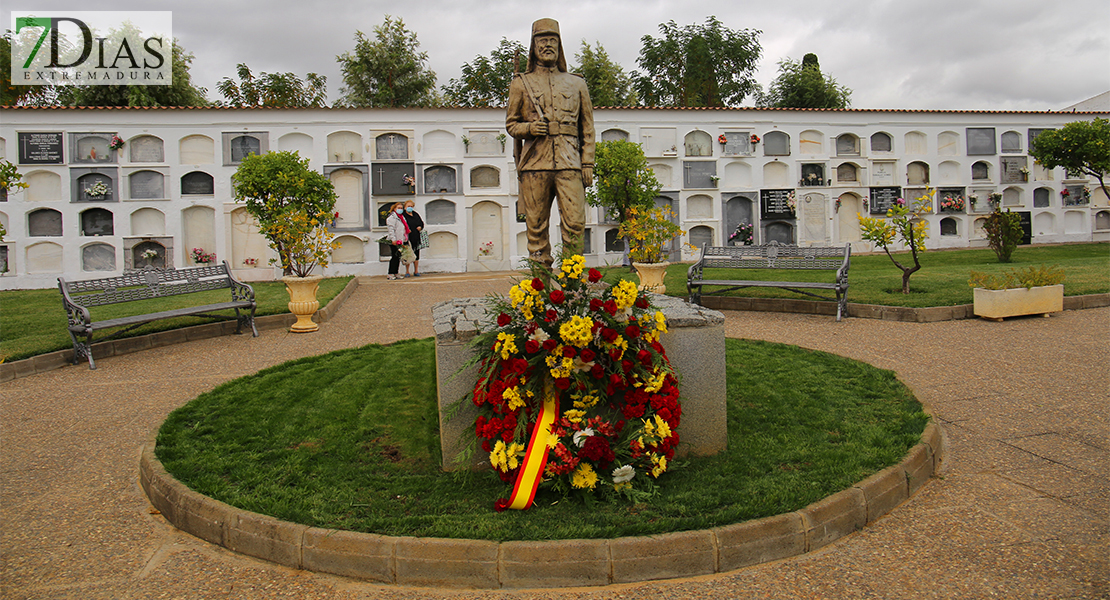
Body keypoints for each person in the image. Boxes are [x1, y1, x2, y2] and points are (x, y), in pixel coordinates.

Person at [506, 18, 594, 267]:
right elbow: (511, 125)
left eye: (552, 40)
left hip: (569, 162)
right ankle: (540, 287)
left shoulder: (577, 83)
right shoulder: (520, 83)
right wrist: (530, 128)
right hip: (535, 163)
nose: (547, 45)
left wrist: (587, 163)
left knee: (576, 224)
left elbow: (587, 128)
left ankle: (572, 283)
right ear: (533, 46)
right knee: (535, 228)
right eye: (542, 40)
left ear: (560, 44)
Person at [385, 202, 409, 280]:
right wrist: (393, 239)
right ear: (394, 209)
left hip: (400, 240)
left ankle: (396, 272)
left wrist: (405, 239)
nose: (400, 209)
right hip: (394, 240)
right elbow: (391, 230)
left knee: (398, 256)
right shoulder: (391, 218)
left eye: (401, 208)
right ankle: (390, 273)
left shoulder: (402, 217)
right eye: (398, 208)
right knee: (394, 256)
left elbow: (403, 229)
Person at [402, 200, 424, 277]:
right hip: (407, 237)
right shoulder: (403, 215)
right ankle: (407, 271)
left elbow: (421, 222)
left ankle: (416, 271)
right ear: (405, 207)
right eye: (408, 206)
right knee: (408, 254)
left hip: (416, 236)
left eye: (411, 206)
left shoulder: (415, 214)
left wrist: (420, 227)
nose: (410, 208)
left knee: (416, 254)